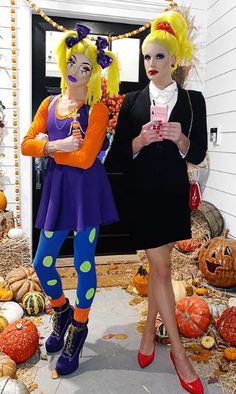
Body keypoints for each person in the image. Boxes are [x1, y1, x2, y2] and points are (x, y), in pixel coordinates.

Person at [107, 10, 207, 394]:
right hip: (144, 196)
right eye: (147, 57)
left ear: (174, 58)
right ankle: (179, 353)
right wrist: (139, 141)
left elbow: (196, 154)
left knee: (159, 270)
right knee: (163, 272)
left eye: (159, 56)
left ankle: (149, 332)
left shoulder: (193, 102)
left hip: (172, 196)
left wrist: (181, 139)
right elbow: (115, 159)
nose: (151, 64)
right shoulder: (132, 102)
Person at [21, 24, 119, 376]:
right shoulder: (49, 104)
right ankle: (61, 310)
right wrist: (56, 146)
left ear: (93, 75)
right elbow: (26, 144)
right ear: (64, 60)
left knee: (83, 264)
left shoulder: (97, 111)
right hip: (58, 193)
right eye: (73, 62)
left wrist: (49, 150)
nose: (76, 71)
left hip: (86, 194)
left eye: (85, 67)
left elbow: (87, 158)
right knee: (43, 262)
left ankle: (78, 328)